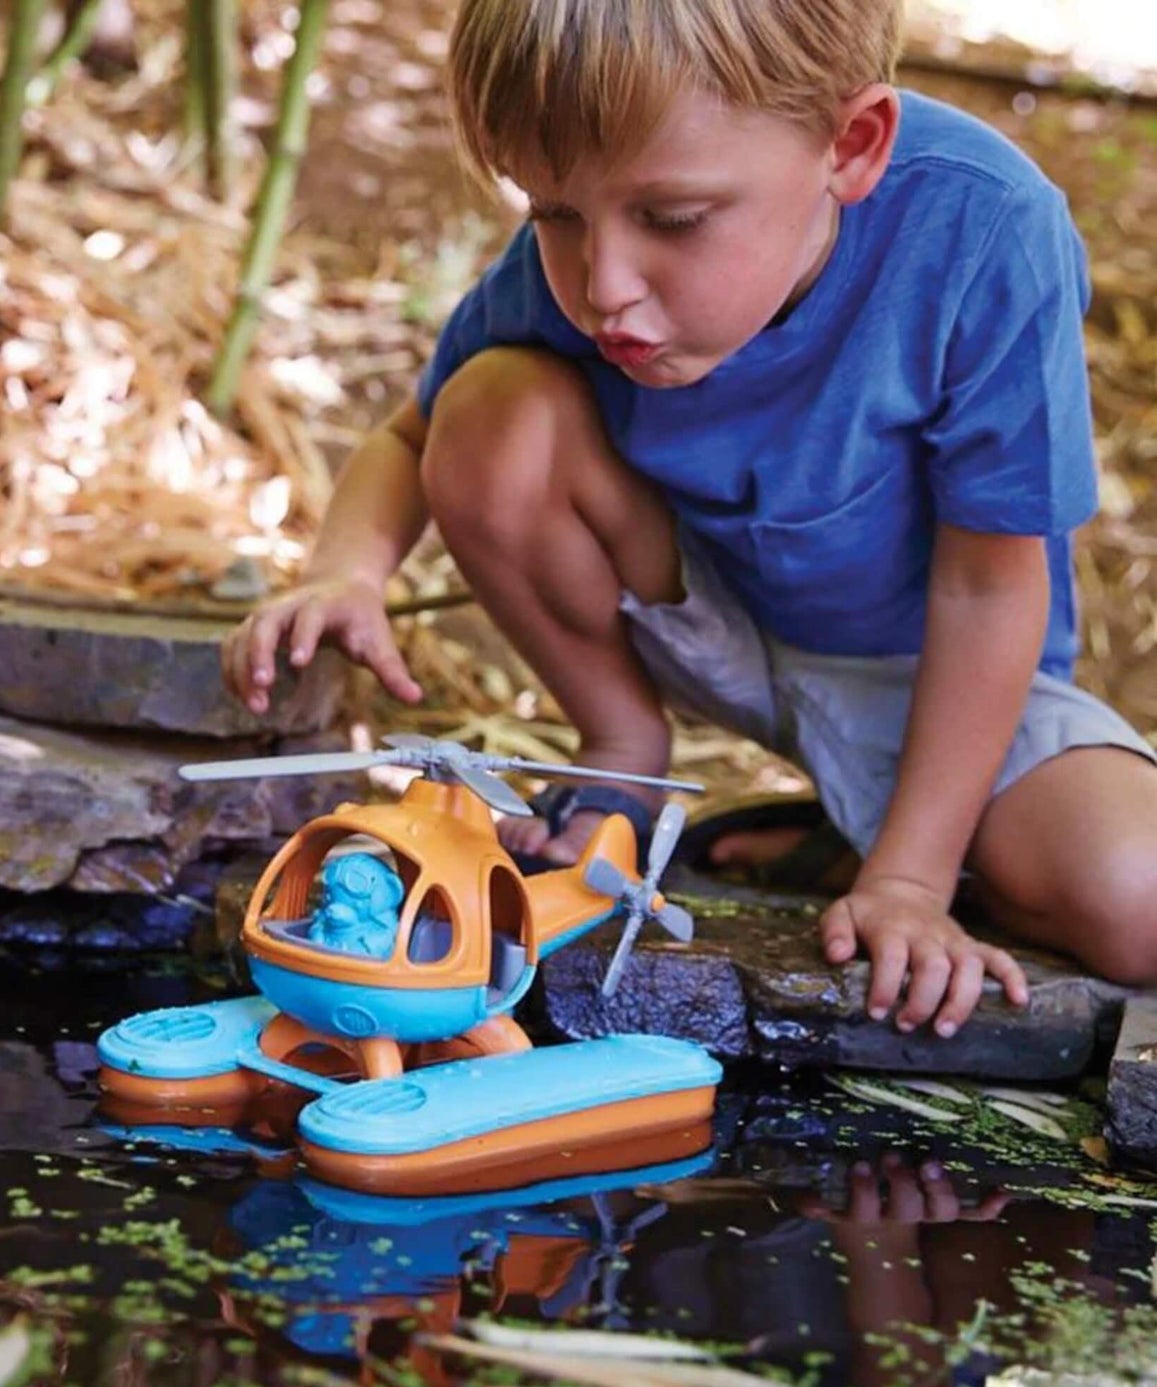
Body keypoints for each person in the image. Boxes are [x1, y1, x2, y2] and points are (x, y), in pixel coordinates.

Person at [221, 0, 1157, 1036]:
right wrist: (347, 571)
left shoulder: (983, 232)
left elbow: (987, 585)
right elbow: (412, 438)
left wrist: (910, 879)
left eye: (669, 220)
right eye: (554, 213)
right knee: (492, 413)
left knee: (1135, 902)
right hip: (698, 614)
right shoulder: (584, 258)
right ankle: (620, 753)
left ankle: (860, 839)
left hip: (936, 678)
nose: (601, 286)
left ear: (849, 146)